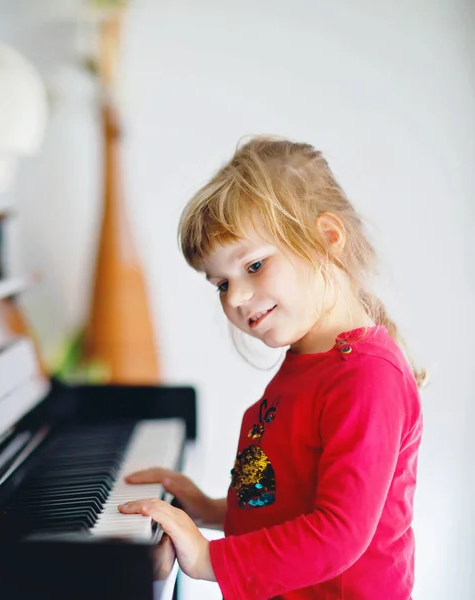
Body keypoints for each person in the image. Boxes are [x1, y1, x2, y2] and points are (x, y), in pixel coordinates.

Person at [118, 136, 424, 599]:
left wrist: (208, 560)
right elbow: (292, 501)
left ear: (326, 239)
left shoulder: (366, 376)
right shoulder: (308, 358)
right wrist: (210, 509)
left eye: (254, 265)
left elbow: (339, 533)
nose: (236, 298)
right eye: (221, 283)